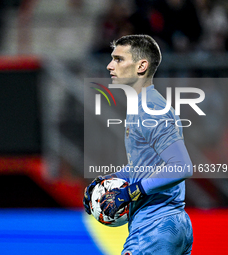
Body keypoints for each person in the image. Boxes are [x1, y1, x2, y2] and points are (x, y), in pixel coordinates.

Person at [83, 34, 194, 255]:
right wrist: (114, 179)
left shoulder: (151, 110)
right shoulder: (144, 107)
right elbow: (148, 166)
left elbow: (182, 166)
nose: (109, 65)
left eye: (118, 59)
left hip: (154, 227)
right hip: (169, 224)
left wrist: (131, 192)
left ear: (141, 66)